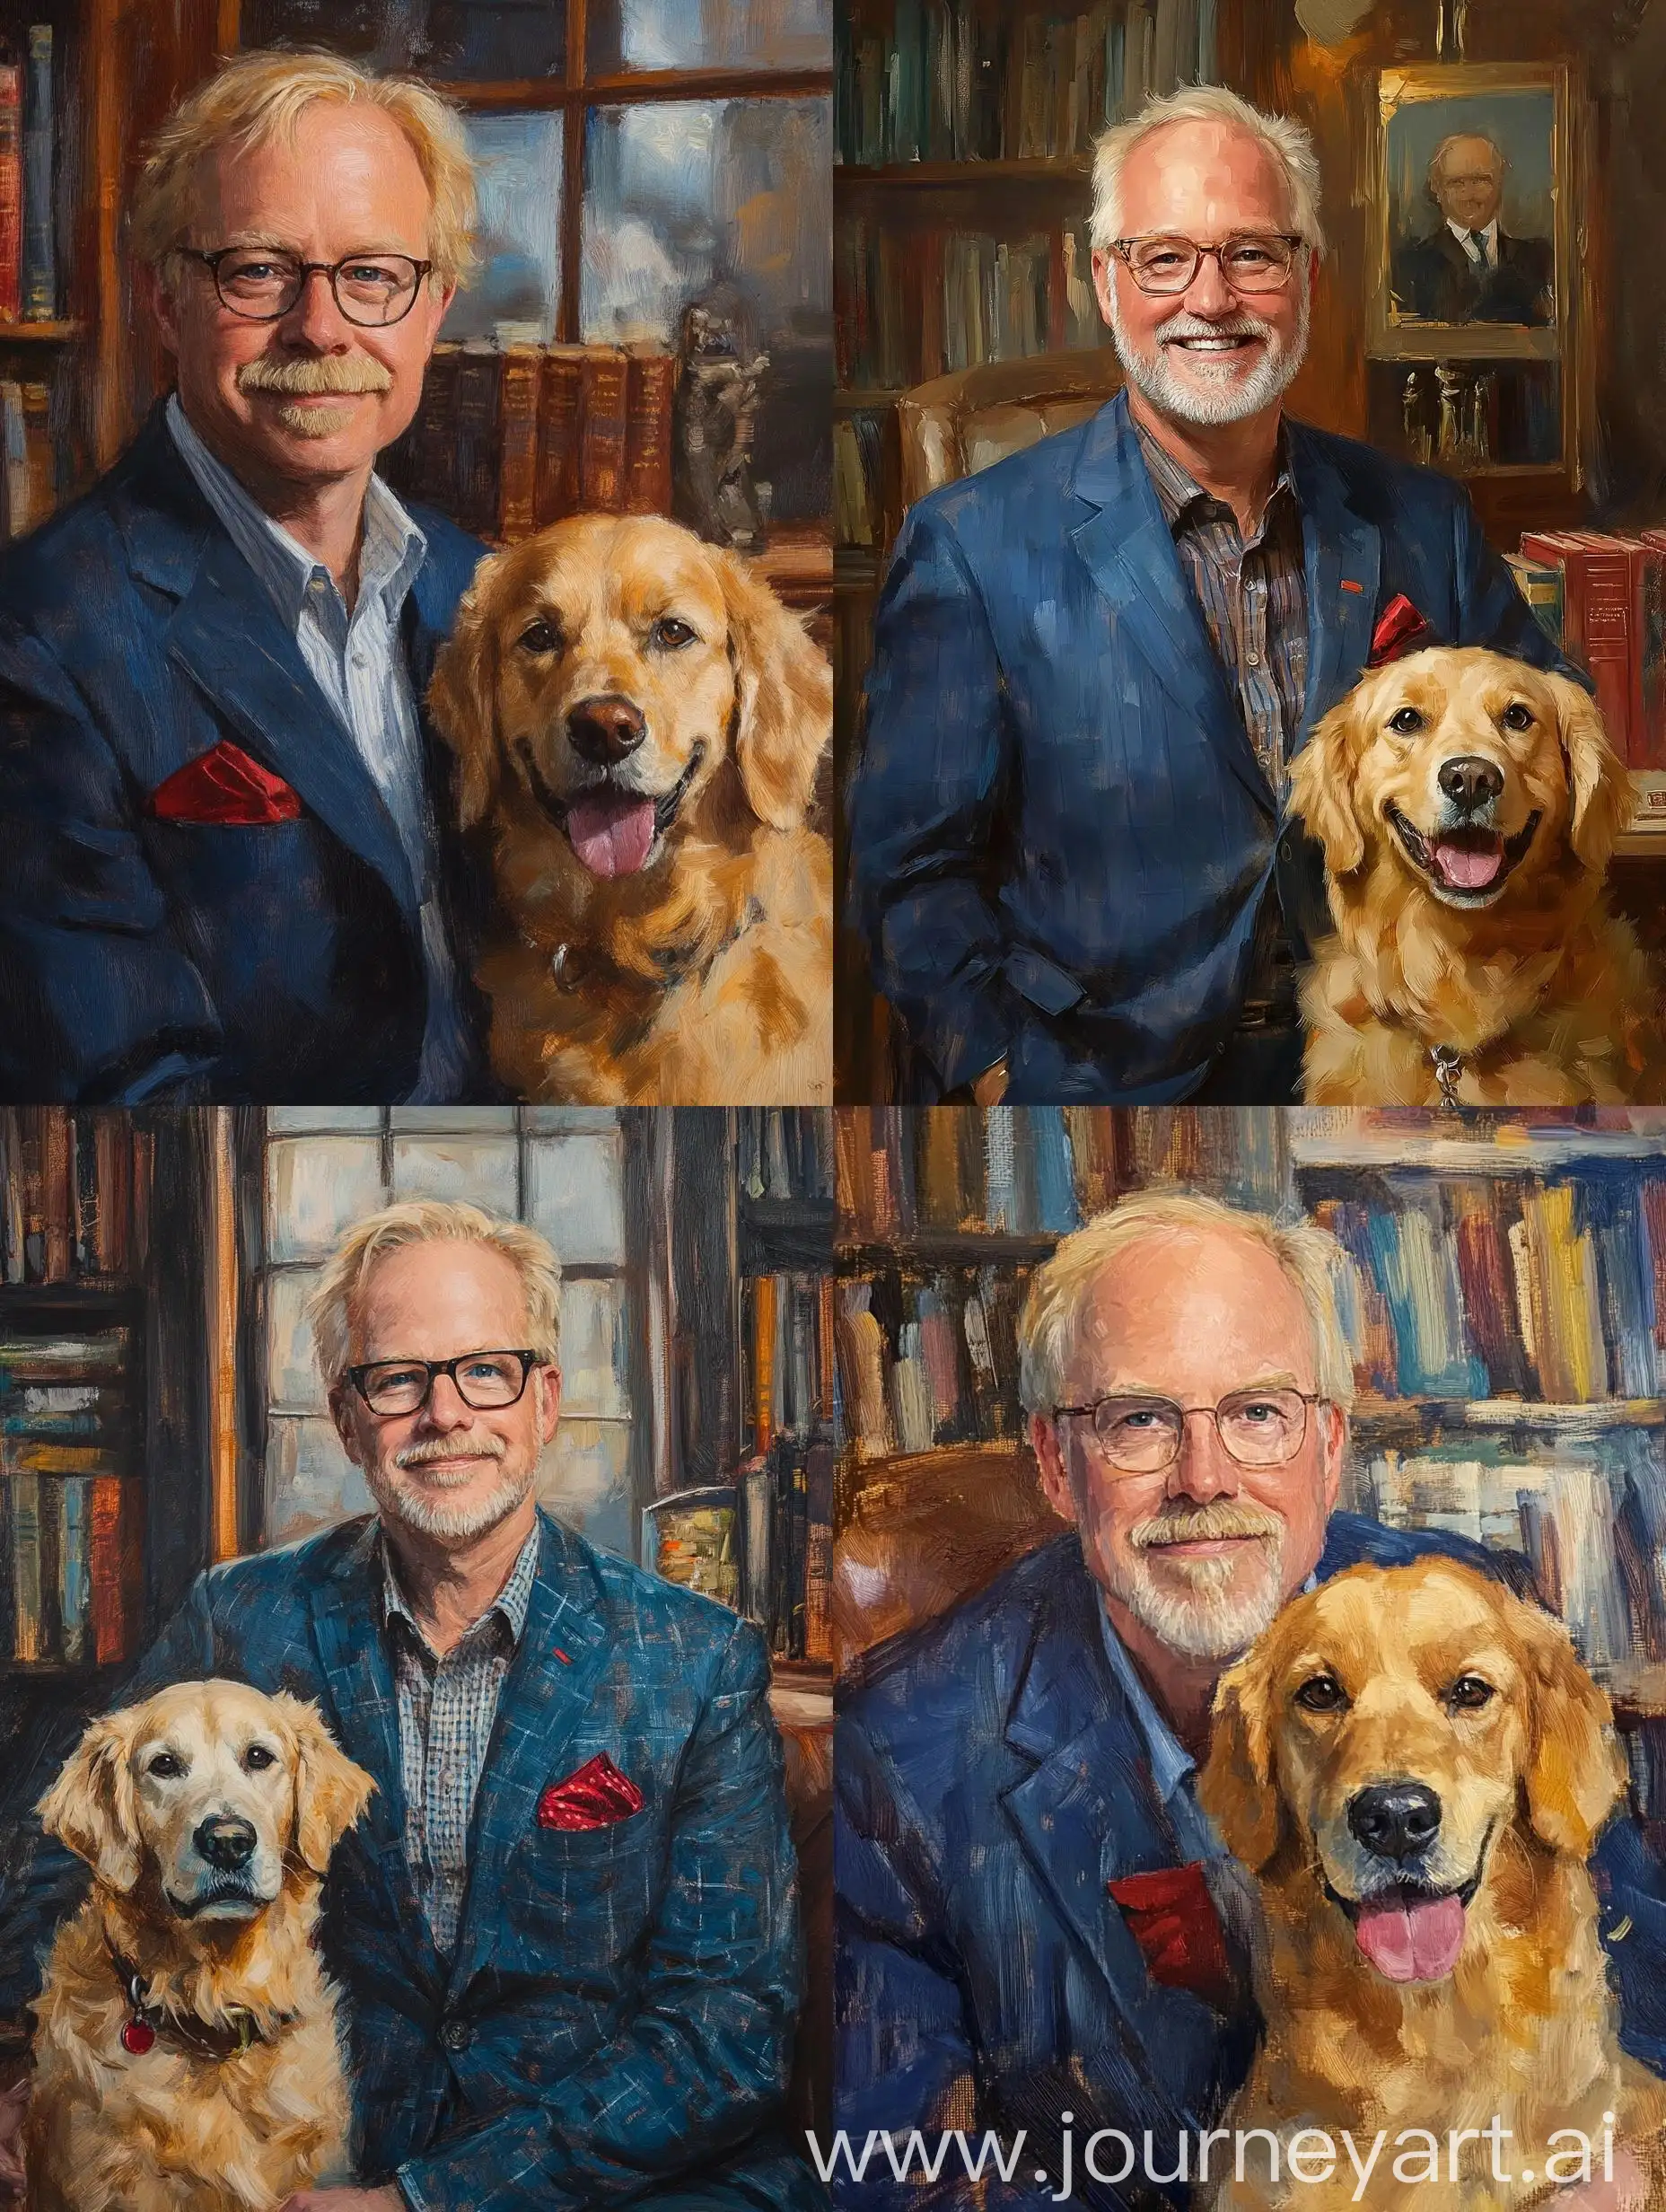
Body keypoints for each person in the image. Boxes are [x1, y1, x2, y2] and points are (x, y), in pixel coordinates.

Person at [835, 1190, 1666, 2209]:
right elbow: (893, 2176)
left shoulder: (1475, 1614)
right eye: (1137, 1419)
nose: (1202, 1476)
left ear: (1327, 1446)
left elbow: (1651, 1997)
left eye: (1256, 1413)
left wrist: (1621, 2170)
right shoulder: (895, 1750)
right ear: (1056, 1463)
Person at [0, 1200, 816, 2210]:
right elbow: (56, 1858)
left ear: (544, 1400)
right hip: (315, 2154)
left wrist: (431, 2199)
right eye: (397, 1379)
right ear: (347, 1420)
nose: (445, 1415)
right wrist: (21, 2061)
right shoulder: (241, 1615)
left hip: (622, 2183)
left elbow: (725, 2029)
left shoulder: (692, 1661)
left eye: (486, 1368)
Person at [846, 85, 1574, 1106]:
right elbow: (907, 880)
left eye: (1250, 253)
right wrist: (1003, 1073)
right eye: (1164, 257)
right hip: (1099, 1081)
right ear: (1106, 283)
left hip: (1391, 1069)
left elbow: (1550, 747)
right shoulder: (969, 545)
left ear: (1306, 276)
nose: (1210, 297)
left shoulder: (1421, 521)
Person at [0, 50, 493, 1103]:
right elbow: (118, 1085)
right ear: (164, 299)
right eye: (259, 270)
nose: (321, 328)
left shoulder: (491, 595)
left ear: (435, 305)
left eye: (373, 275)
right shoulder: (41, 628)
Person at [1392, 131, 1555, 326]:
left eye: (1480, 180)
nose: (1469, 194)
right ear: (1436, 188)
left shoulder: (1539, 258)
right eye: (1457, 182)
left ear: (1499, 183)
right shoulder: (1411, 265)